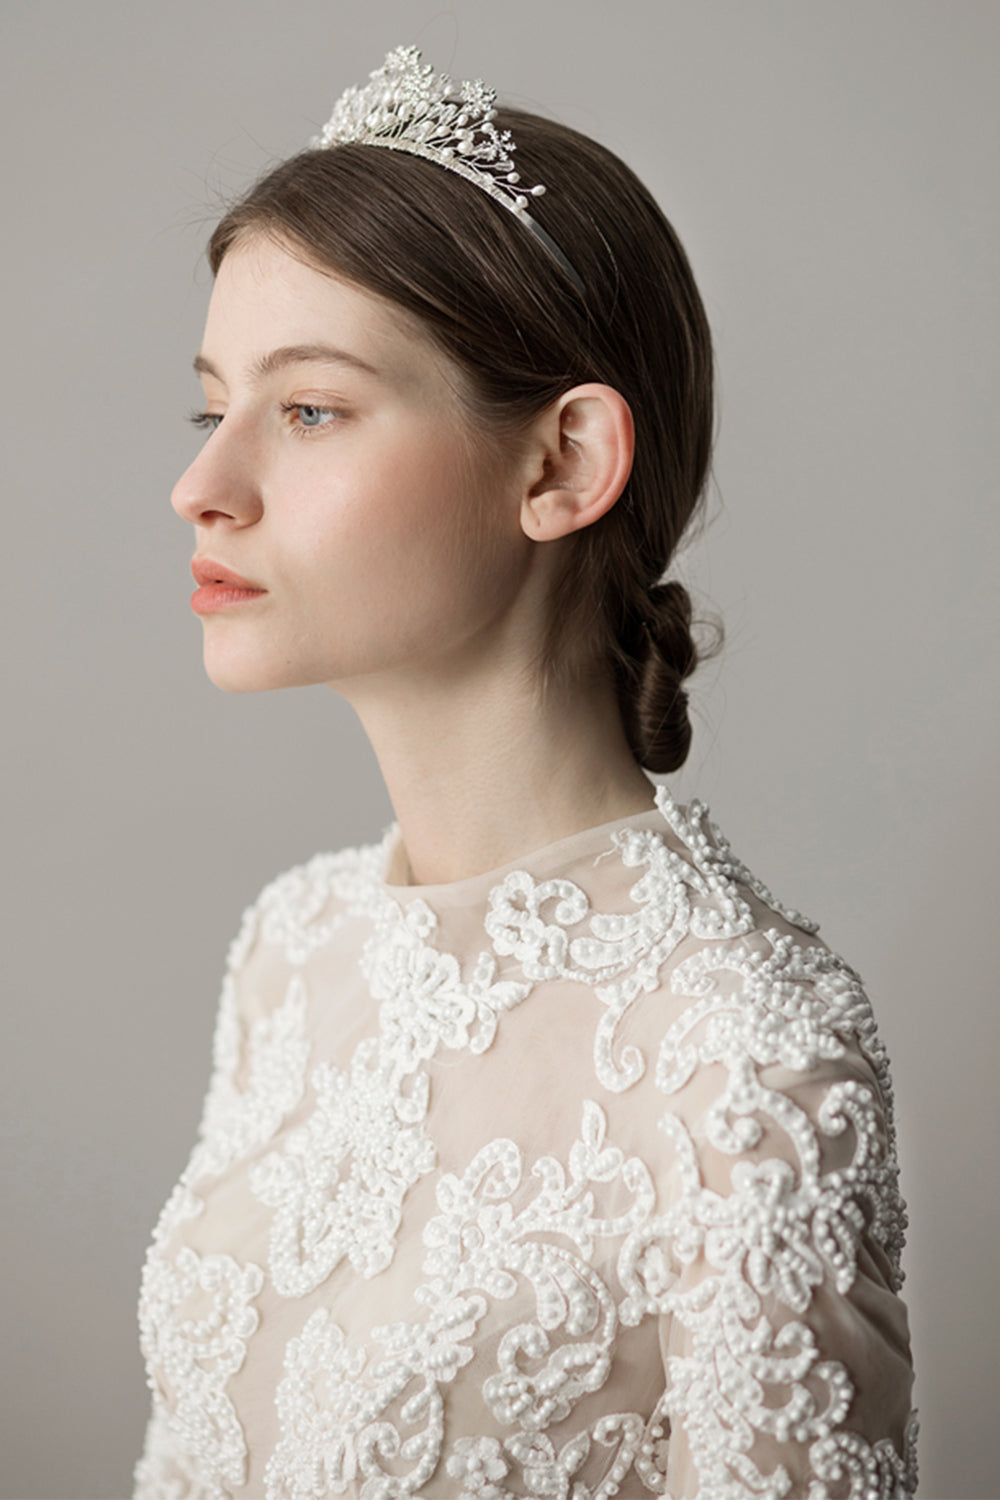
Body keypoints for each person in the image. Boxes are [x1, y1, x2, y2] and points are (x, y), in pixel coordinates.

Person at [134, 45, 917, 1499]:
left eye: (308, 410)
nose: (202, 486)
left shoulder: (746, 1053)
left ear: (561, 462)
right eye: (211, 408)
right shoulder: (292, 955)